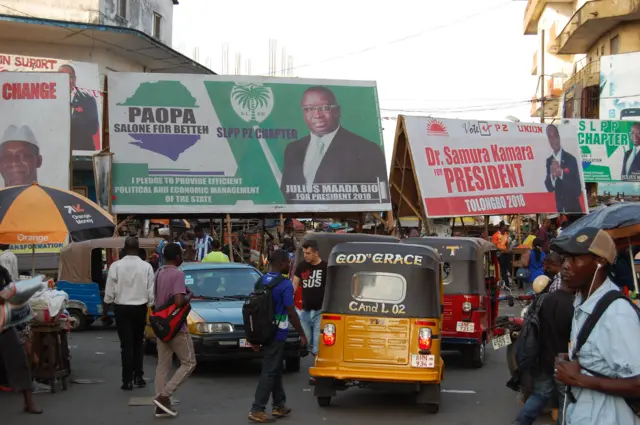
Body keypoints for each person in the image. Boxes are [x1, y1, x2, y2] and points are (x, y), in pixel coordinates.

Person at [552, 227, 640, 425]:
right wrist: (577, 360)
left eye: (575, 258)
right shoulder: (581, 303)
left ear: (599, 262)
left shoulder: (617, 314)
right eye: (565, 258)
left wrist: (579, 379)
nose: (565, 266)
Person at [279, 86, 388, 203]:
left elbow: (378, 197)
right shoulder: (293, 149)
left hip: (345, 219)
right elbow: (287, 193)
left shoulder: (366, 150)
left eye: (325, 108)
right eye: (309, 109)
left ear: (337, 111)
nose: (317, 115)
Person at [248, 250, 307, 423]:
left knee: (275, 368)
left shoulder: (260, 280)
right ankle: (257, 408)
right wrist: (302, 333)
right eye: (288, 262)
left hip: (263, 331)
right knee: (269, 370)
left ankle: (279, 405)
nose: (290, 265)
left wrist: (254, 337)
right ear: (281, 263)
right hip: (277, 333)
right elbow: (291, 311)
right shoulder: (285, 284)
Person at [512, 275, 575, 425]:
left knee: (540, 395)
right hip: (564, 361)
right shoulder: (574, 305)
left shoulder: (544, 300)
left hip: (543, 358)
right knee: (564, 401)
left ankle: (520, 423)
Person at [102, 236, 155, 390]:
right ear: (138, 249)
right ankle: (138, 376)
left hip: (122, 309)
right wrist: (152, 309)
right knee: (138, 343)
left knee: (126, 345)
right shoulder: (147, 267)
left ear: (124, 249)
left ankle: (127, 381)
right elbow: (151, 293)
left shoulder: (115, 266)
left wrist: (105, 313)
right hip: (140, 308)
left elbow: (109, 292)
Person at [153, 243, 197, 417]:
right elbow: (179, 301)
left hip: (161, 325)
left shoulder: (158, 273)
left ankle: (160, 404)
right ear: (177, 257)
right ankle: (165, 396)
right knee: (189, 362)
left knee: (162, 366)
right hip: (176, 326)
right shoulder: (178, 274)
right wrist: (189, 296)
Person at [0, 265, 41, 414]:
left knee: (20, 360)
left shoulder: (1, 270)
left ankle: (28, 403)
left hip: (4, 323)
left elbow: (12, 289)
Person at [292, 240, 327, 359]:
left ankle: (317, 369)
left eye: (308, 253)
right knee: (307, 342)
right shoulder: (302, 266)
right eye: (304, 253)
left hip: (319, 310)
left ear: (315, 253)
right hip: (305, 310)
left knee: (317, 344)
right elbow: (295, 284)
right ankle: (315, 359)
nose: (305, 256)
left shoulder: (325, 267)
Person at [543, 124, 584, 214]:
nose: (554, 140)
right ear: (548, 140)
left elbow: (577, 190)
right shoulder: (549, 161)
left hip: (574, 212)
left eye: (555, 136)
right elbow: (549, 187)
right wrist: (552, 176)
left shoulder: (571, 159)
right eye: (551, 137)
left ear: (559, 137)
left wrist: (561, 173)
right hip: (560, 212)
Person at [59, 64, 100, 152]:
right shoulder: (50, 101)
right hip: (58, 152)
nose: (64, 79)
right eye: (61, 76)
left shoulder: (87, 99)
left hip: (81, 152)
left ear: (74, 79)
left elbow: (93, 128)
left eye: (68, 76)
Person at [492, 221, 511, 287]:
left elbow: (506, 244)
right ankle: (506, 285)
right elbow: (494, 246)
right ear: (502, 226)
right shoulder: (495, 235)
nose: (507, 227)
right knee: (503, 271)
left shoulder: (506, 234)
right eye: (506, 225)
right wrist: (503, 250)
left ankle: (506, 283)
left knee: (507, 269)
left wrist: (508, 249)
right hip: (500, 254)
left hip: (506, 254)